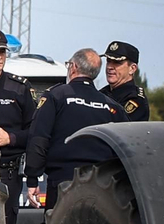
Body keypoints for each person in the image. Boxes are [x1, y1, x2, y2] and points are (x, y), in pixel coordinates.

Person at [25, 48, 123, 206]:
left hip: (63, 181)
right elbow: (124, 148)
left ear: (74, 67)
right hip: (102, 186)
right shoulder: (113, 106)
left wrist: (32, 178)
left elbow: (39, 138)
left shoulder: (55, 96)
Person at [0, 29, 35, 224]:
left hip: (7, 172)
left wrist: (10, 138)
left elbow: (35, 132)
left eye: (2, 52)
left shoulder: (19, 88)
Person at [101, 40, 150, 121]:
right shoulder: (103, 93)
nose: (110, 67)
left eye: (117, 62)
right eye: (108, 61)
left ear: (132, 68)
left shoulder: (135, 99)